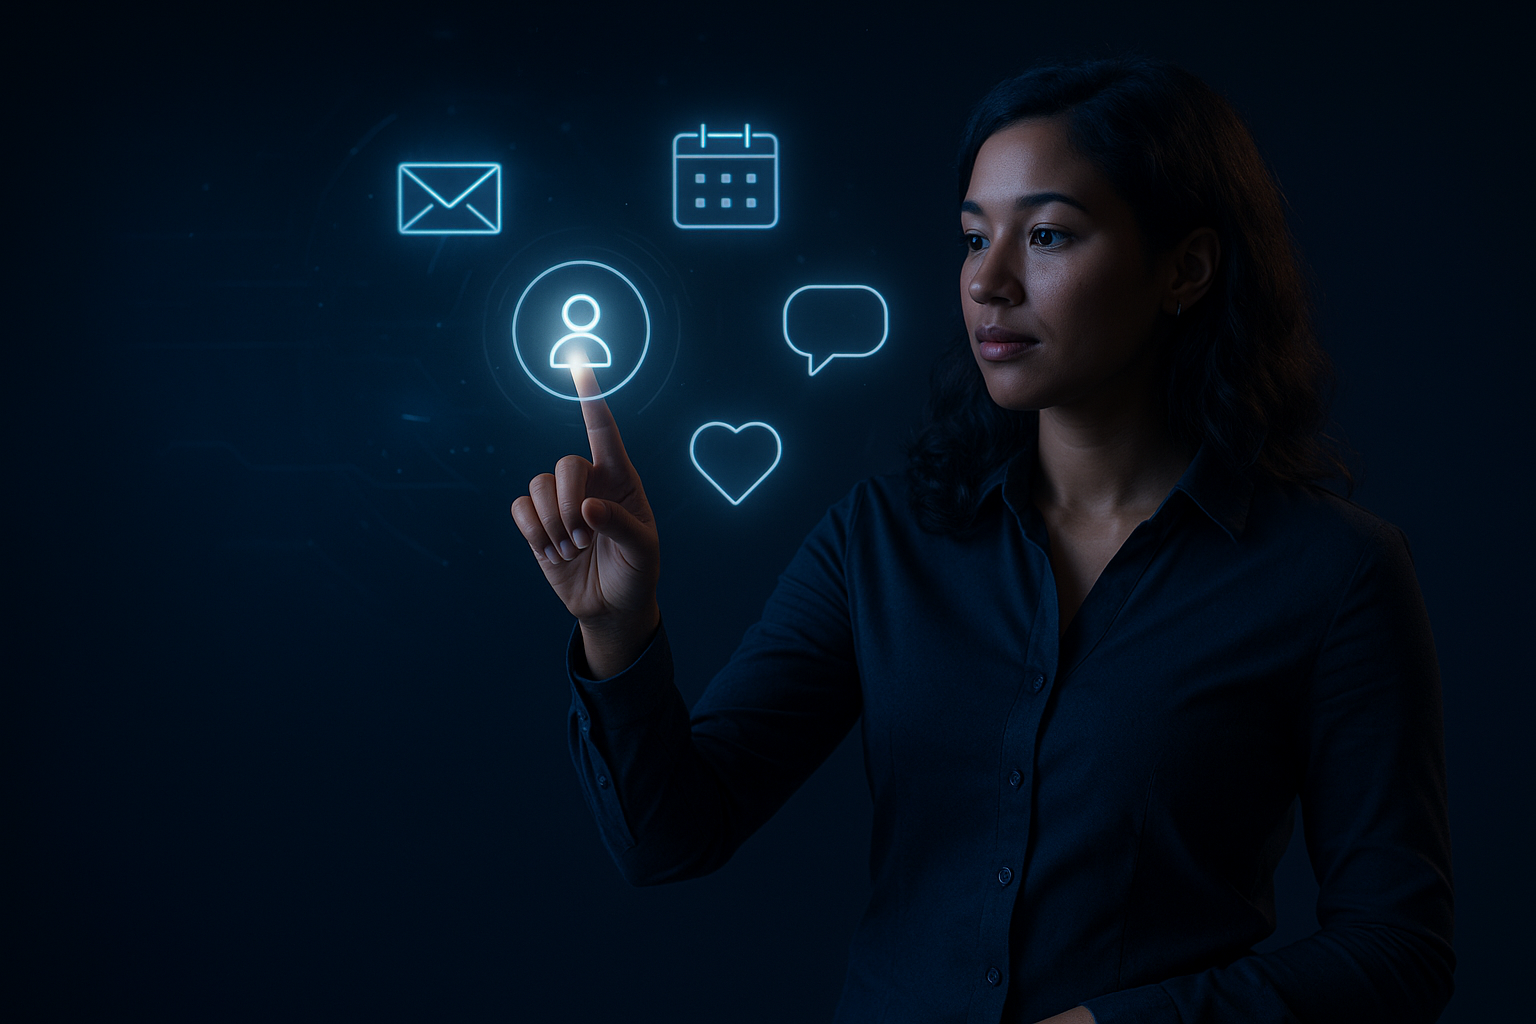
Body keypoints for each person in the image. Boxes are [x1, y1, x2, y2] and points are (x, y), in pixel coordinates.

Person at [510, 57, 1453, 1024]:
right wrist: (620, 633)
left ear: (1187, 268)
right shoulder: (879, 541)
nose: (989, 283)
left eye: (1047, 235)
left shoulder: (1333, 574)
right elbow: (673, 837)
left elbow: (1399, 951)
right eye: (972, 238)